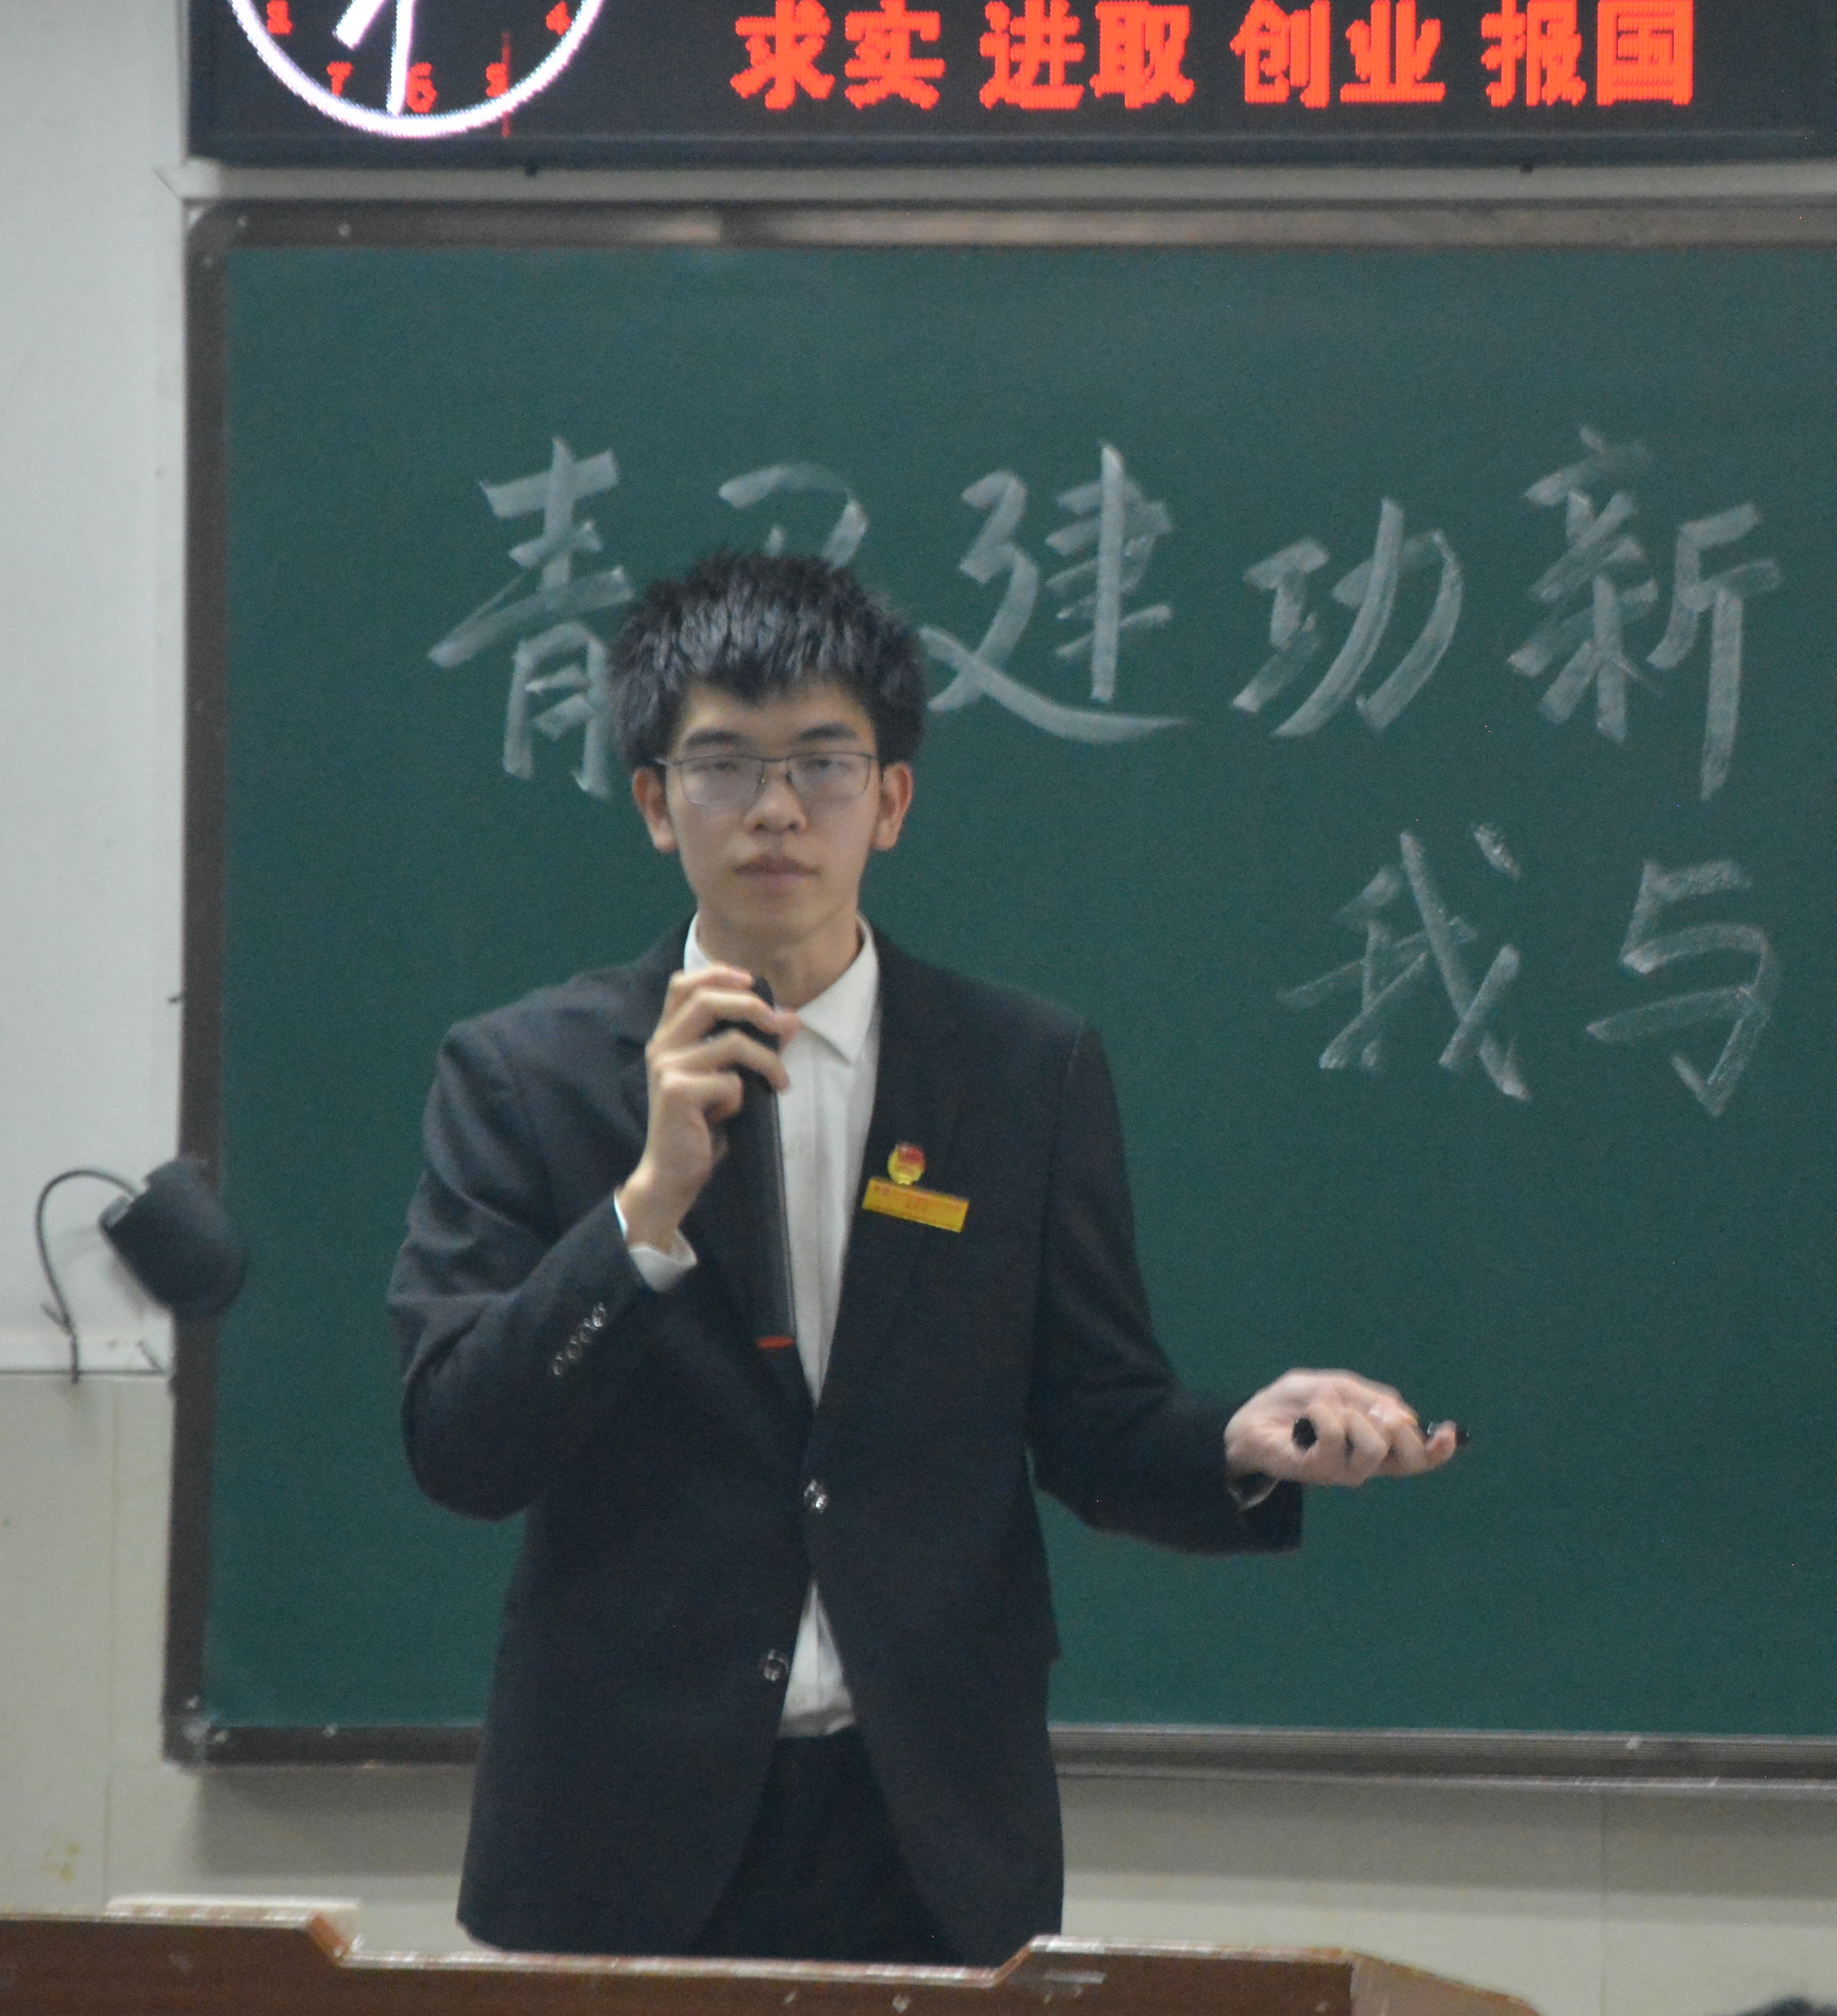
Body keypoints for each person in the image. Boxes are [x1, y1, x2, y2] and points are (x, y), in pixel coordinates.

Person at [388, 551, 1456, 1967]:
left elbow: (1096, 1418)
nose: (777, 808)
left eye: (824, 764)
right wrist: (643, 1213)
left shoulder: (1021, 1073)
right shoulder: (524, 1077)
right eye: (724, 766)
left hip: (926, 1823)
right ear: (653, 802)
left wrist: (1241, 1444)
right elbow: (462, 1448)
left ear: (891, 800)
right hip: (621, 1826)